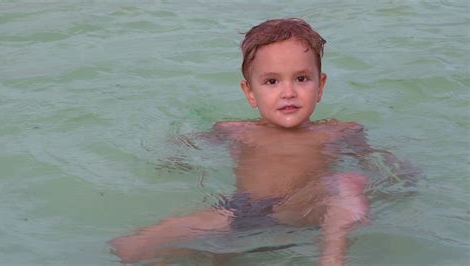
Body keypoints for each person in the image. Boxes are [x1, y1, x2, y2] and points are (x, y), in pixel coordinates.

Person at [111, 18, 381, 266]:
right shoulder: (235, 130)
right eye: (272, 81)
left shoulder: (339, 132)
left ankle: (332, 258)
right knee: (136, 244)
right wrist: (175, 155)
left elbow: (377, 162)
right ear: (250, 92)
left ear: (320, 86)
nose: (289, 92)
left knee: (344, 186)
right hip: (239, 211)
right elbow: (192, 144)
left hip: (301, 211)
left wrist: (398, 173)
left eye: (301, 78)